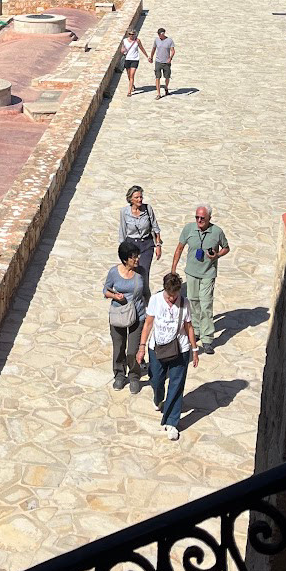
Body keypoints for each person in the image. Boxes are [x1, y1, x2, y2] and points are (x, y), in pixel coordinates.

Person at [138, 272, 200, 440]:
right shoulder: (156, 300)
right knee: (156, 379)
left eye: (175, 296)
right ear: (164, 290)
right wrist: (142, 347)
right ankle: (158, 398)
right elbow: (148, 324)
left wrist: (194, 350)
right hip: (156, 348)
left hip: (180, 349)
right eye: (169, 296)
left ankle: (172, 421)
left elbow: (189, 327)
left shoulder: (184, 303)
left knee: (177, 384)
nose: (172, 299)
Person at [171, 204, 230, 356]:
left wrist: (217, 255)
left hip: (208, 274)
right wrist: (173, 269)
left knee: (206, 305)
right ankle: (196, 330)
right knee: (193, 303)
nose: (199, 220)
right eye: (196, 217)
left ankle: (207, 338)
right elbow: (179, 248)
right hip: (191, 273)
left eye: (202, 218)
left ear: (209, 218)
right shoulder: (189, 229)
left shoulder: (217, 232)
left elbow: (226, 247)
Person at [104, 239, 147, 393]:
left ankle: (134, 376)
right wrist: (116, 297)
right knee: (119, 347)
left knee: (132, 351)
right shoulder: (114, 273)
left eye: (137, 256)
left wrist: (151, 311)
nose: (137, 259)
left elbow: (146, 291)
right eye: (133, 257)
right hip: (118, 315)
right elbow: (106, 290)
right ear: (124, 259)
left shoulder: (141, 272)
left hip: (138, 315)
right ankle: (119, 375)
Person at [118, 185, 162, 300]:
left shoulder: (148, 209)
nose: (140, 200)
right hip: (131, 244)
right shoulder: (124, 212)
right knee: (132, 271)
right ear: (130, 199)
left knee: (143, 271)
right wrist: (122, 251)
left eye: (141, 197)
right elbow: (122, 231)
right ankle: (133, 297)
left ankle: (146, 297)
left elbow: (155, 228)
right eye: (137, 197)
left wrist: (158, 245)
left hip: (146, 244)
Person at [119, 29, 147, 97]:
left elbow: (142, 48)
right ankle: (132, 85)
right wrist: (122, 50)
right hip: (127, 59)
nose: (131, 36)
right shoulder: (124, 41)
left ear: (135, 34)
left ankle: (129, 92)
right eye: (130, 34)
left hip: (135, 59)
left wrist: (147, 56)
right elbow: (122, 49)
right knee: (129, 75)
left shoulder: (137, 41)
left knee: (132, 75)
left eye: (132, 34)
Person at [152, 27, 175, 97]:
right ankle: (158, 93)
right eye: (158, 34)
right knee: (157, 77)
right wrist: (151, 57)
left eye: (160, 34)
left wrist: (170, 58)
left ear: (163, 34)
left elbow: (173, 51)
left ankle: (166, 87)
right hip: (158, 61)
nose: (159, 36)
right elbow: (154, 49)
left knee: (167, 77)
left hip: (166, 62)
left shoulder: (169, 40)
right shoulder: (156, 40)